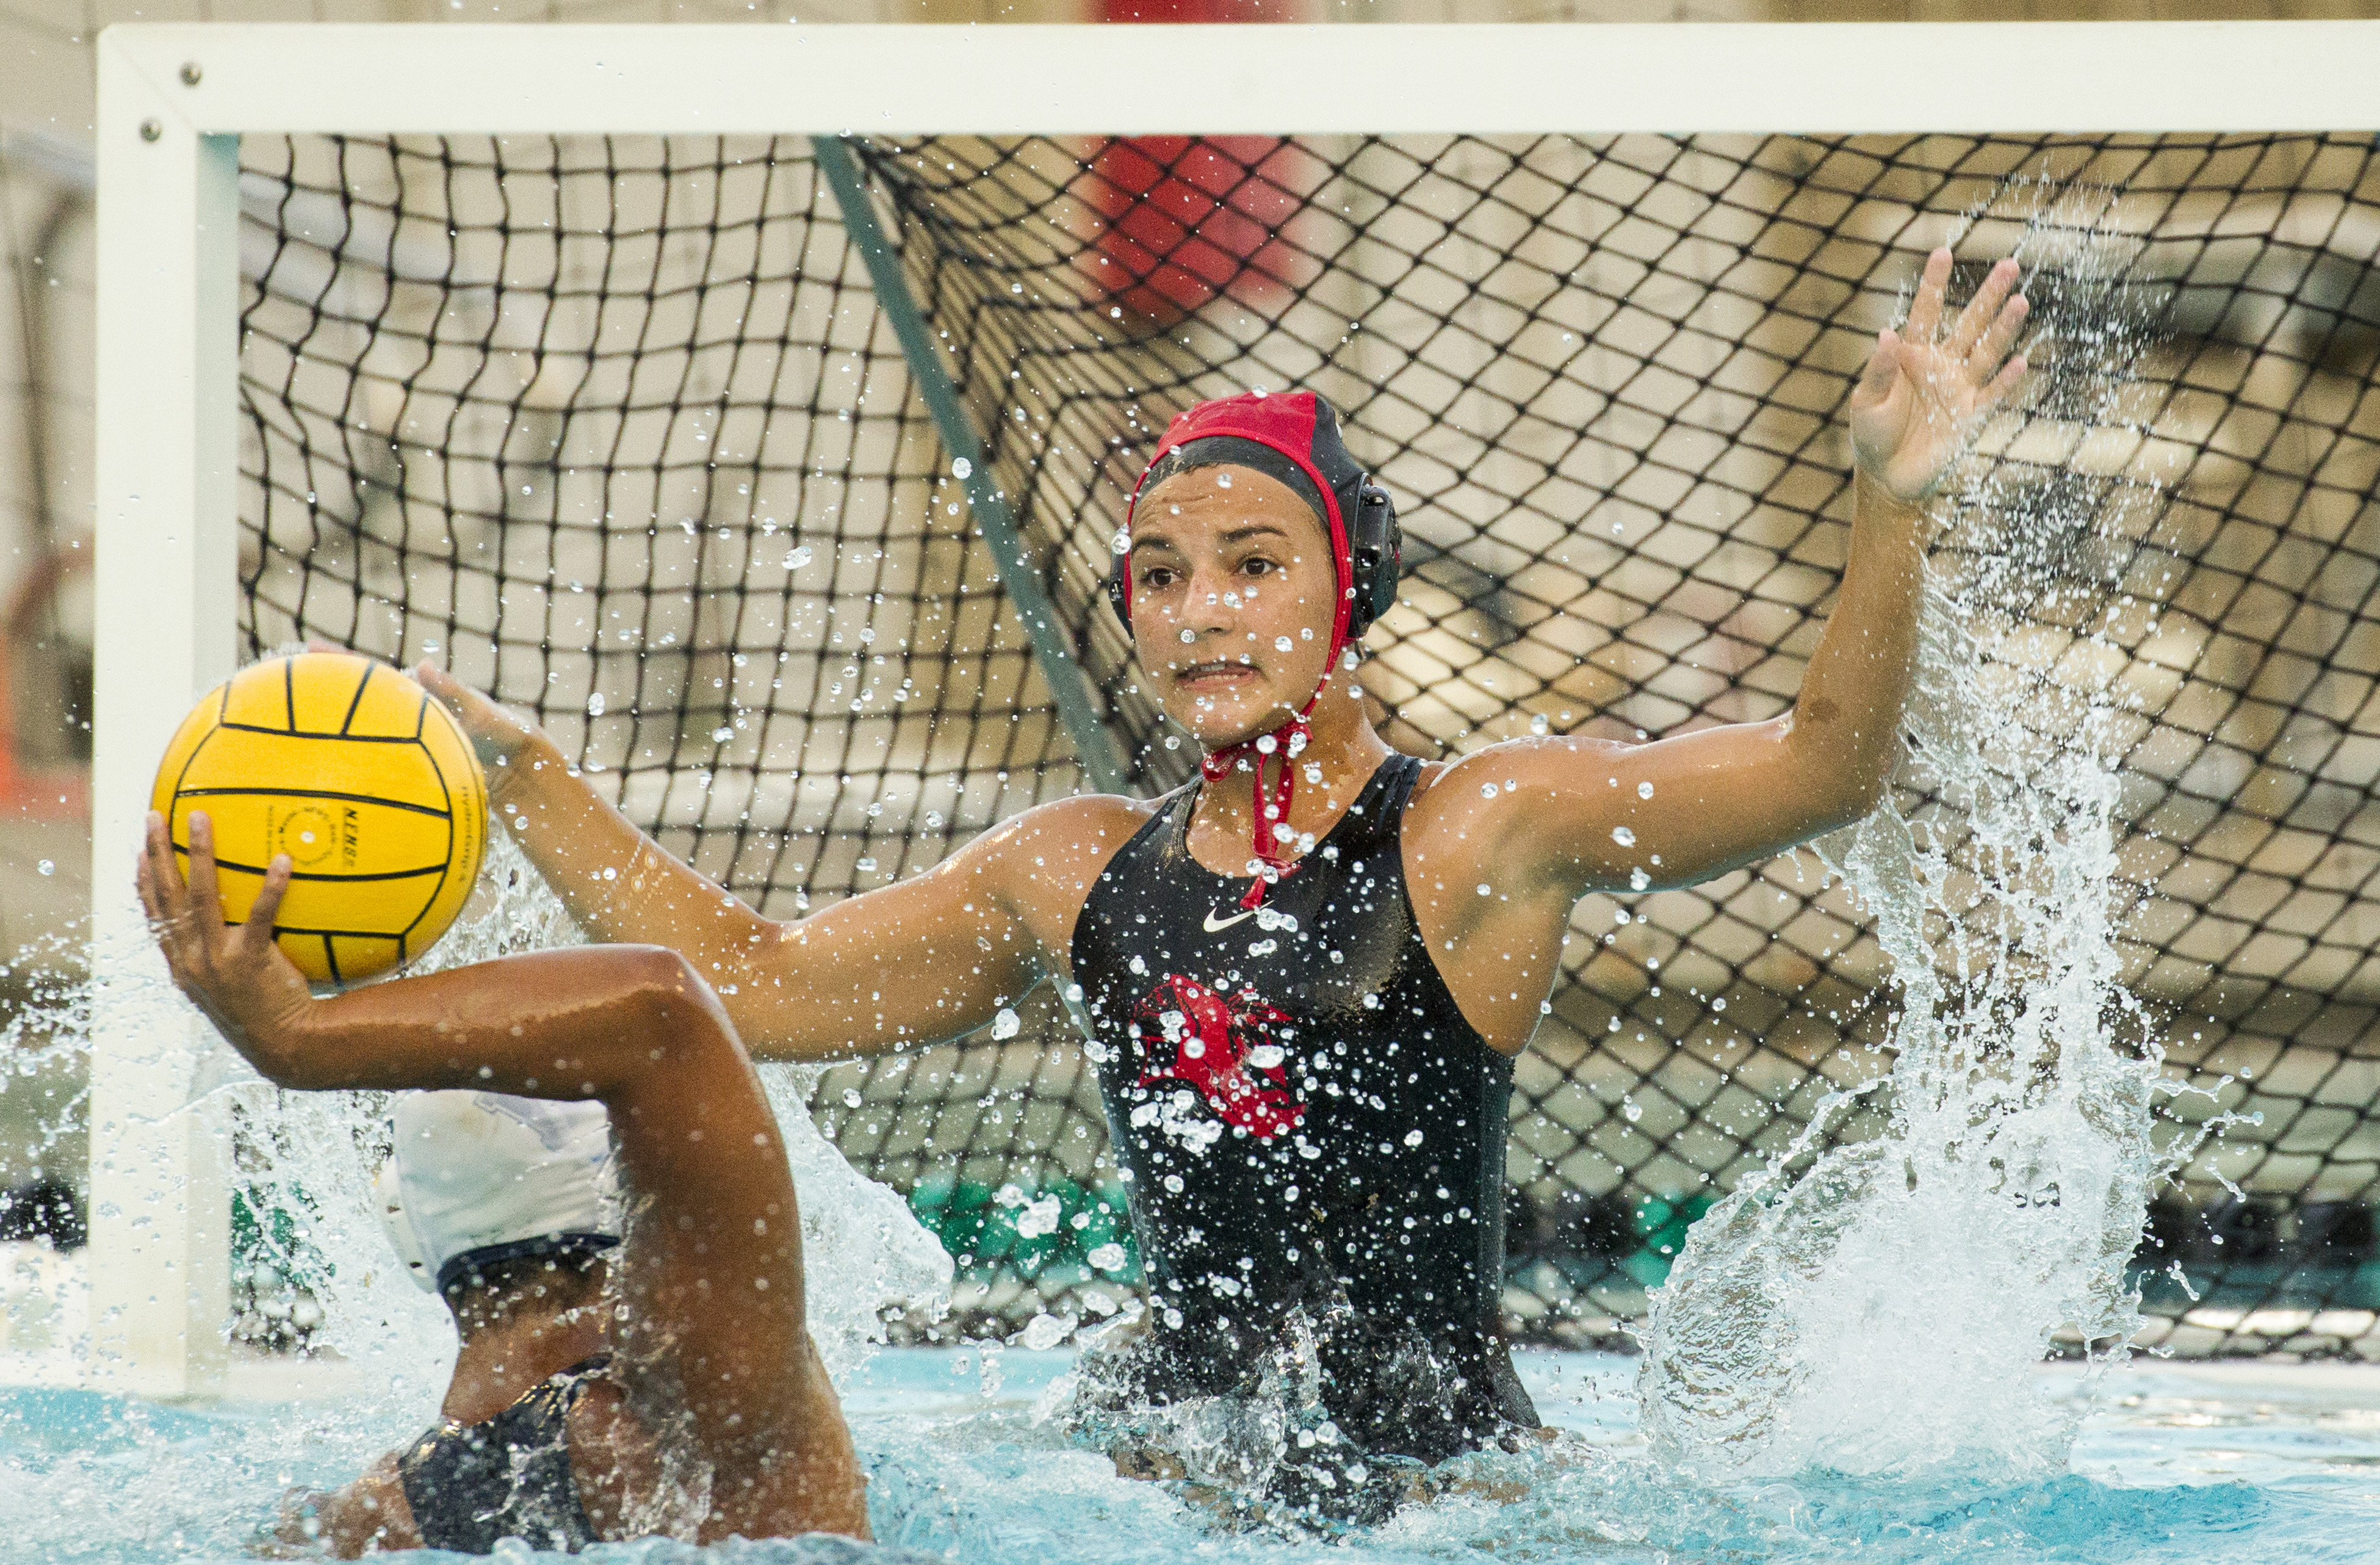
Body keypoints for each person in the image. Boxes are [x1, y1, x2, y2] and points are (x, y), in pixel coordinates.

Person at [417, 250, 2028, 1511]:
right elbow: (759, 982)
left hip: (1433, 1491)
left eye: (1254, 565)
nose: (1201, 609)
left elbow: (1825, 767)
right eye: (1164, 576)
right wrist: (533, 785)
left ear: (1351, 589)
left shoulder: (1473, 829)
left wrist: (1888, 512)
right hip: (1150, 1473)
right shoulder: (1067, 869)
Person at [136, 811, 870, 1556]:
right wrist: (296, 1037)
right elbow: (663, 1014)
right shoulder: (705, 1416)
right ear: (638, 1200)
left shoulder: (370, 1518)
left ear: (408, 1230)